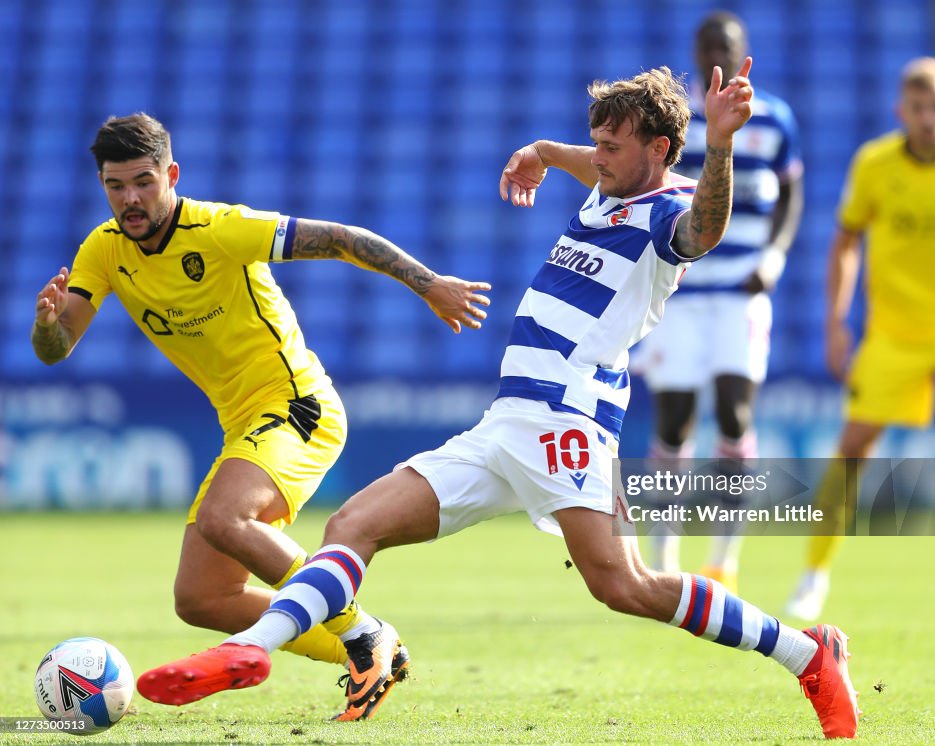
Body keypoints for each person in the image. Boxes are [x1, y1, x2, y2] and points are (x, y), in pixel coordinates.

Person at [136, 64, 860, 739]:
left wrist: (723, 147)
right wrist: (543, 150)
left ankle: (808, 652)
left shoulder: (666, 214)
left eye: (610, 145)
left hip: (567, 423)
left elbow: (707, 225)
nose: (597, 155)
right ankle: (248, 651)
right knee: (353, 523)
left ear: (662, 149)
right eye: (595, 143)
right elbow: (587, 160)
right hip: (505, 424)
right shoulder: (609, 188)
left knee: (625, 586)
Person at [31, 113, 491, 721]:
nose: (131, 199)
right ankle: (367, 647)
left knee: (226, 517)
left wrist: (429, 284)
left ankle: (361, 633)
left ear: (171, 174)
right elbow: (60, 346)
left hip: (298, 406)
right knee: (202, 598)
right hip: (242, 423)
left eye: (143, 181)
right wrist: (45, 327)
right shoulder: (105, 249)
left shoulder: (221, 229)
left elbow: (344, 238)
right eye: (116, 186)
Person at [784, 57, 935, 622]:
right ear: (901, 111)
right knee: (853, 446)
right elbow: (844, 242)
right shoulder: (875, 164)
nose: (927, 118)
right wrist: (835, 321)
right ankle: (813, 576)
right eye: (917, 108)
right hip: (892, 330)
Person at [634, 10, 803, 590]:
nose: (717, 55)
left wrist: (775, 253)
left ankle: (724, 556)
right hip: (680, 295)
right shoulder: (677, 125)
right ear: (696, 51)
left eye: (726, 46)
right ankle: (664, 558)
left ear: (743, 50)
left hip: (740, 296)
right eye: (707, 47)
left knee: (736, 412)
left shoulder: (774, 119)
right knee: (675, 422)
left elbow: (791, 193)